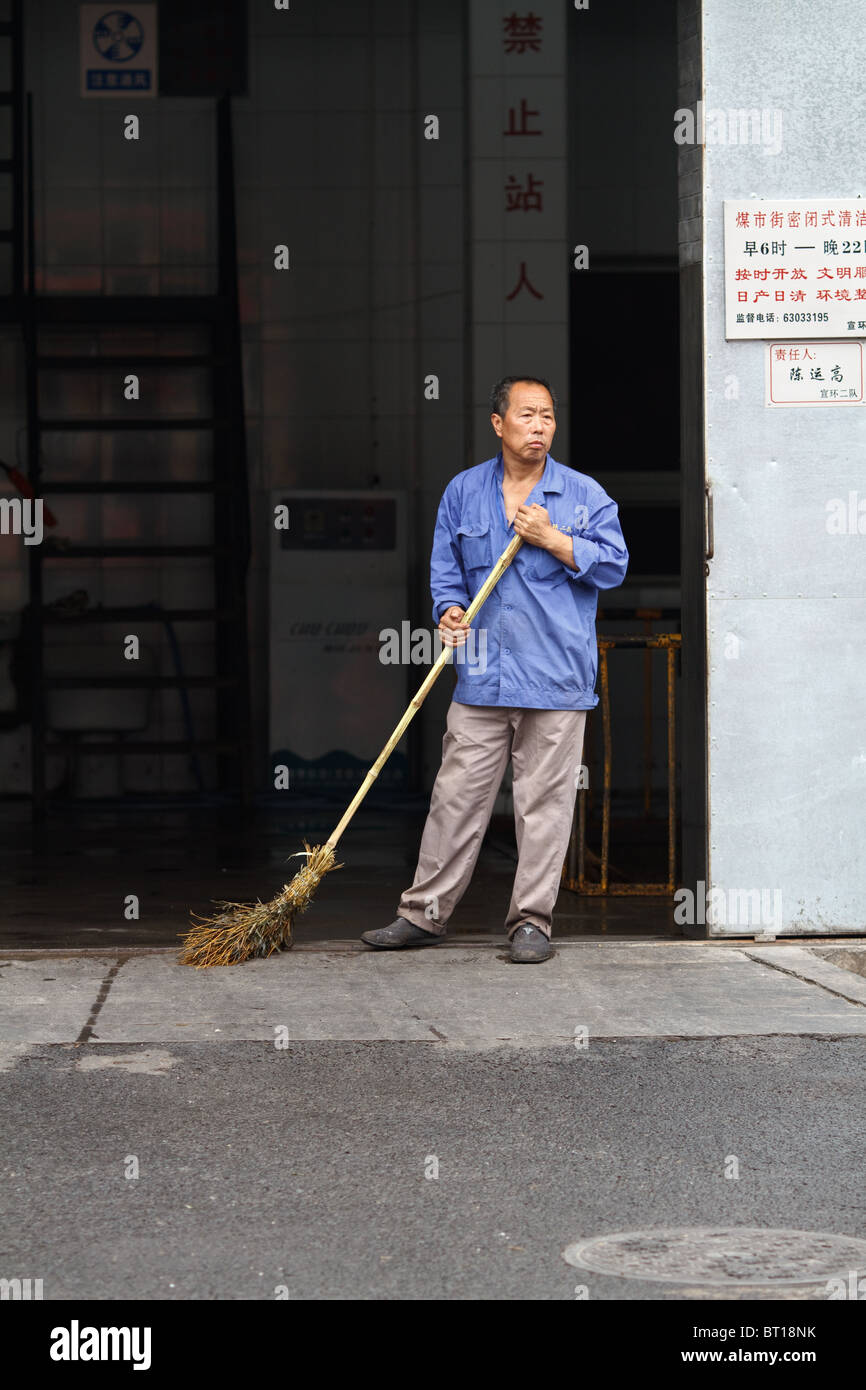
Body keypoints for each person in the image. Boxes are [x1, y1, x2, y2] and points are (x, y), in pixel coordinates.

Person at [361, 375, 629, 963]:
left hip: (557, 678)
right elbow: (445, 570)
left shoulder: (583, 496)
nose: (540, 427)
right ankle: (424, 914)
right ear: (498, 423)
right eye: (528, 415)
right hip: (482, 675)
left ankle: (532, 923)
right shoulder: (463, 492)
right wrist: (449, 611)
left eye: (549, 417)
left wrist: (553, 538)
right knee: (455, 796)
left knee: (544, 806)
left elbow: (614, 568)